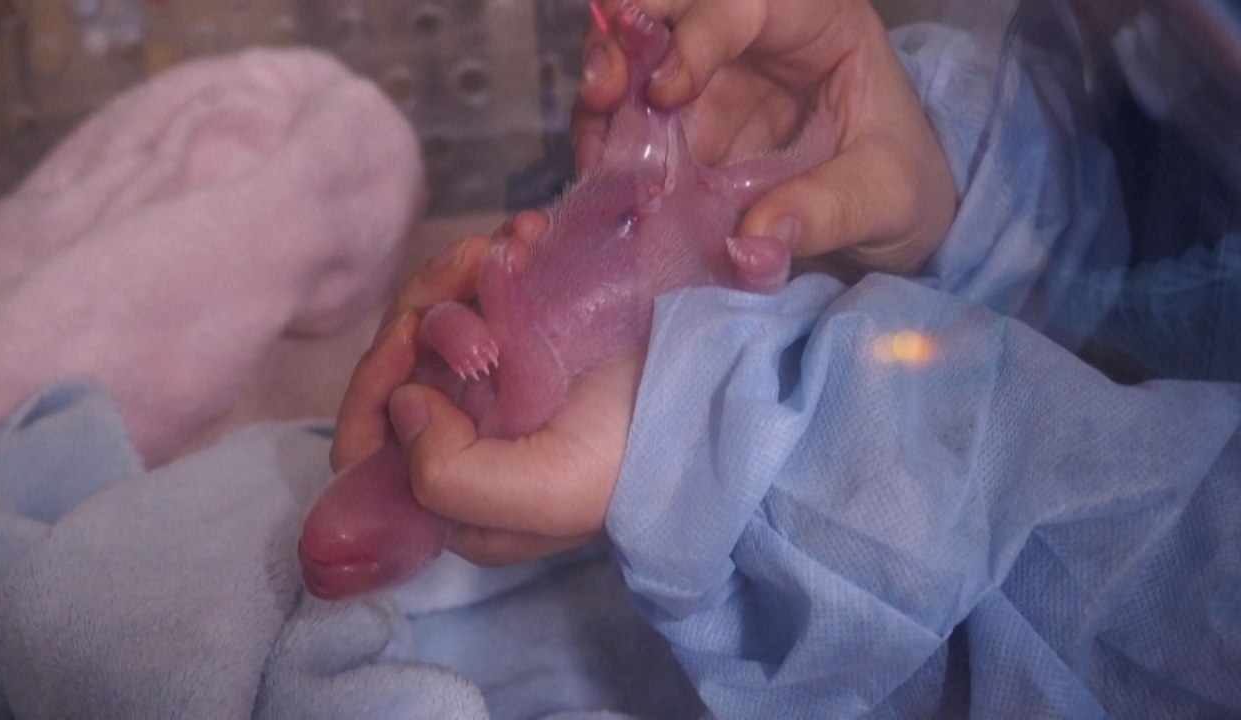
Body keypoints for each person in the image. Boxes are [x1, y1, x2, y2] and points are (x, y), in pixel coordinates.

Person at [332, 0, 1241, 715]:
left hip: (702, 339)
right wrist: (944, 176)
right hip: (662, 282)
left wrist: (714, 445)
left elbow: (1182, 622)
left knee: (710, 194)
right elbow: (1154, 157)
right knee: (706, 177)